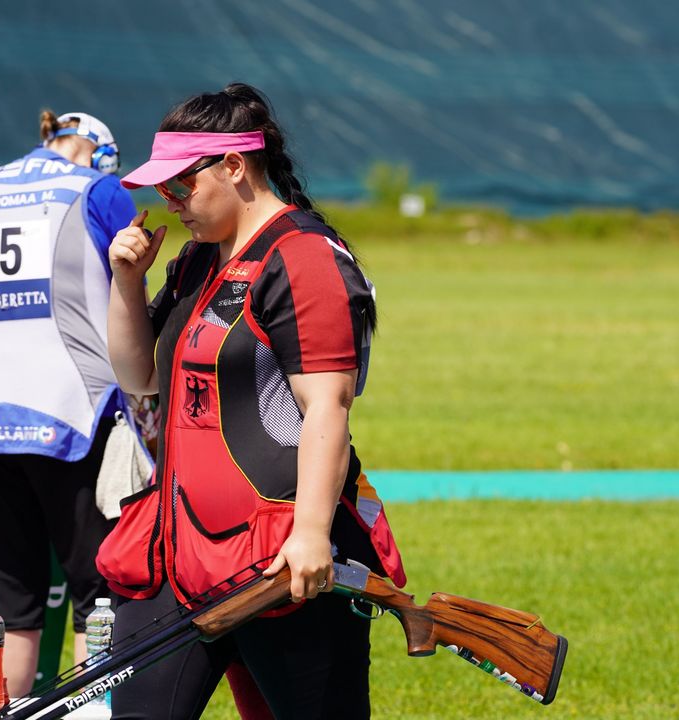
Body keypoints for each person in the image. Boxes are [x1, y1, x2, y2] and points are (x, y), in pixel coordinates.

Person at [96, 83, 406, 719]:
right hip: (180, 551)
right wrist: (127, 283)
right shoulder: (194, 261)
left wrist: (314, 534)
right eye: (162, 190)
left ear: (235, 166)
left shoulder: (305, 257)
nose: (169, 202)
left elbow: (328, 405)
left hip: (283, 562)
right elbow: (137, 376)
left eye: (181, 186)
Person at [0, 109, 138, 697]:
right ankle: (93, 711)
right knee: (98, 592)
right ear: (100, 155)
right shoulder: (100, 189)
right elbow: (130, 301)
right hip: (72, 409)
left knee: (3, 602)